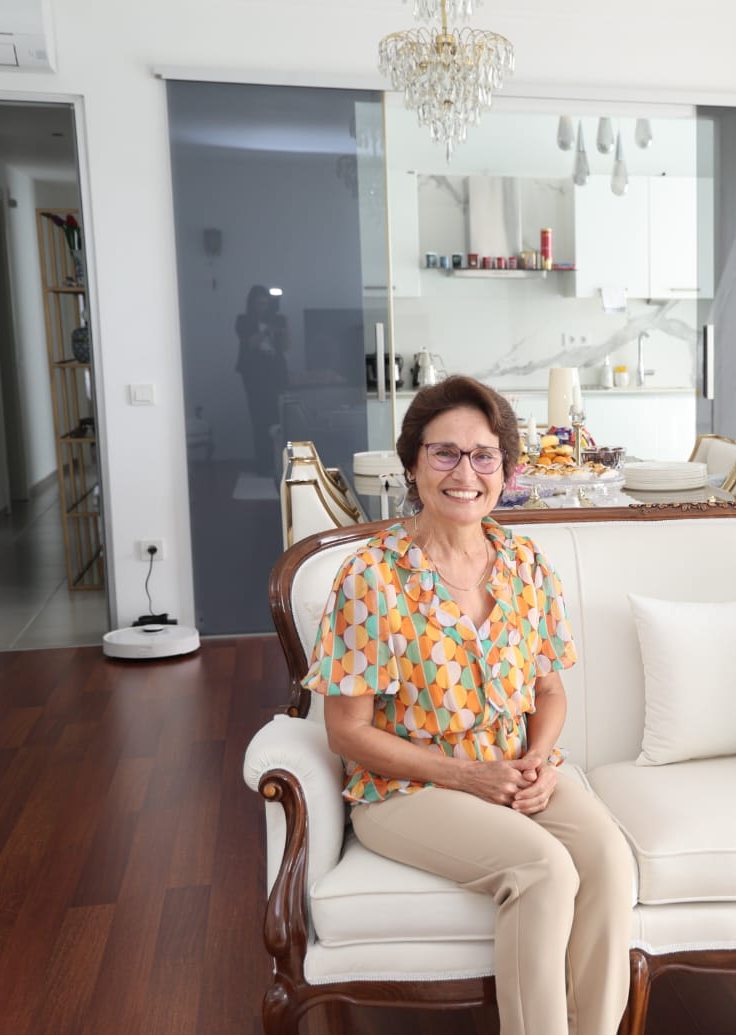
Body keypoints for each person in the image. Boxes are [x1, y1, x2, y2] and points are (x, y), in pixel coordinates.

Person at [301, 375, 632, 1035]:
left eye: (483, 456)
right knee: (542, 870)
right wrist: (466, 775)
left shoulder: (525, 563)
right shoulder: (371, 577)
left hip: (513, 769)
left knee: (609, 859)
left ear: (506, 471)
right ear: (412, 463)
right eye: (444, 453)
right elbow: (347, 732)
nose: (464, 473)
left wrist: (539, 759)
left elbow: (549, 691)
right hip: (405, 789)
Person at [235, 285, 289, 475]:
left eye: (266, 303)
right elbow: (250, 342)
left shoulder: (277, 319)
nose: (262, 307)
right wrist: (267, 330)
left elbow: (287, 347)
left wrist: (284, 328)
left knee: (278, 417)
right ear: (251, 303)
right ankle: (264, 464)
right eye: (259, 303)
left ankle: (280, 463)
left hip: (276, 373)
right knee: (259, 418)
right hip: (254, 375)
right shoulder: (243, 320)